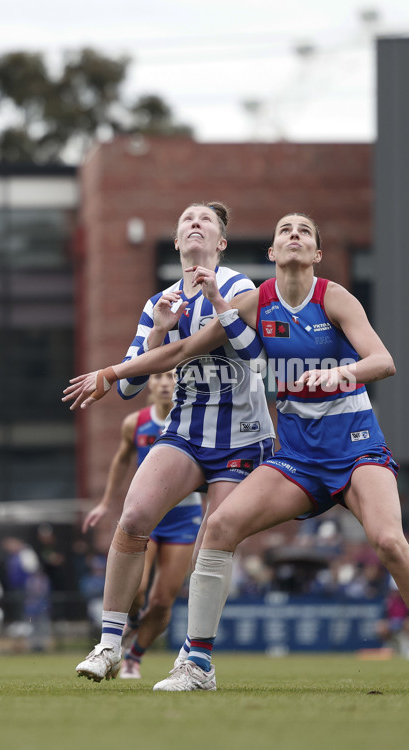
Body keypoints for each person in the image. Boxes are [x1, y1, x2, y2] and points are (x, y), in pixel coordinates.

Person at [65, 212, 409, 693]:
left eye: (305, 231)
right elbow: (180, 350)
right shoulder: (253, 302)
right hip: (297, 458)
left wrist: (340, 374)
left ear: (316, 253)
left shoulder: (334, 297)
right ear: (272, 253)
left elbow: (384, 361)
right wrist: (113, 373)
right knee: (221, 526)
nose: (294, 235)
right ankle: (197, 665)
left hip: (355, 448)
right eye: (284, 231)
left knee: (390, 543)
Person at [68, 201, 275, 682]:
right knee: (134, 517)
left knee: (214, 539)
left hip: (242, 437)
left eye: (206, 220)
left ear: (220, 243)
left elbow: (253, 351)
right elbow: (128, 388)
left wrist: (218, 304)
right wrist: (160, 327)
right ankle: (108, 646)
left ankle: (197, 659)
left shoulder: (242, 286)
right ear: (179, 243)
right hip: (185, 429)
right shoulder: (157, 302)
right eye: (186, 220)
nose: (195, 224)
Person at [81, 371, 204, 679]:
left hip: (183, 519)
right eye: (159, 376)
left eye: (173, 376)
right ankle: (128, 626)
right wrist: (105, 502)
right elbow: (122, 459)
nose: (165, 382)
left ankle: (135, 656)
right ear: (149, 383)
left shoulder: (196, 420)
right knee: (137, 592)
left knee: (162, 602)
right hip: (148, 518)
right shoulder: (134, 423)